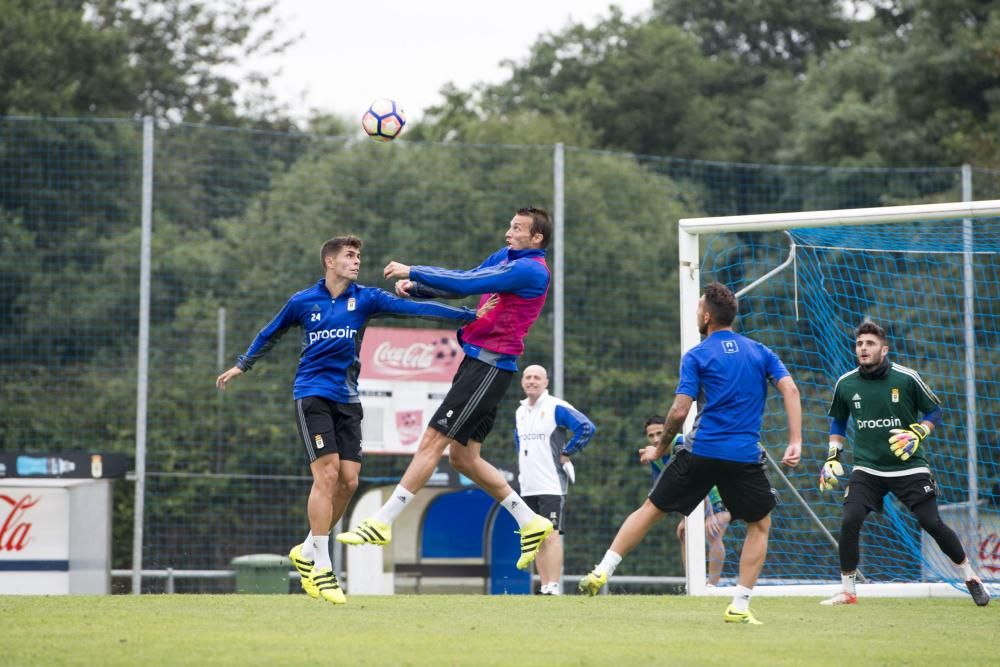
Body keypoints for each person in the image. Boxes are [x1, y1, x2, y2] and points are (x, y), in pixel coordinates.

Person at [216, 235, 494, 605]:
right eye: (349, 255)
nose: (357, 261)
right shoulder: (303, 301)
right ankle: (323, 568)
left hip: (348, 400)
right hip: (312, 395)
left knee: (349, 481)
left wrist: (467, 316)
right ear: (329, 262)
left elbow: (414, 310)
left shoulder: (366, 298)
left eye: (359, 255)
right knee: (327, 474)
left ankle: (307, 549)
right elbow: (270, 332)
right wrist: (241, 365)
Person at [337, 208, 557, 571]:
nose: (508, 232)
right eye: (510, 224)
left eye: (517, 228)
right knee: (463, 458)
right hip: (478, 364)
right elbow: (468, 278)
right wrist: (419, 289)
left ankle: (381, 522)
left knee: (432, 442)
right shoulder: (506, 258)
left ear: (537, 239)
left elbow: (465, 285)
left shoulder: (530, 269)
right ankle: (529, 521)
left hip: (489, 367)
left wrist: (413, 271)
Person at [579, 282, 802, 626]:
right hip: (742, 456)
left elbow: (680, 411)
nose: (698, 312)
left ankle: (602, 570)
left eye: (699, 307)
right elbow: (790, 388)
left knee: (651, 509)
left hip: (701, 451)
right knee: (759, 526)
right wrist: (795, 440)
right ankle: (740, 605)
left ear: (708, 315)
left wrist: (661, 447)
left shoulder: (697, 355)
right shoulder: (760, 351)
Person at [818, 320, 990, 607]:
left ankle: (970, 577)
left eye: (870, 344)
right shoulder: (846, 383)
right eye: (860, 343)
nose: (863, 348)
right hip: (868, 469)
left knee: (930, 522)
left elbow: (934, 411)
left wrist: (918, 432)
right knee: (849, 520)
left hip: (909, 467)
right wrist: (833, 455)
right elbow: (838, 420)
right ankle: (848, 590)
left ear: (884, 349)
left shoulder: (906, 378)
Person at [515, 364, 596, 595]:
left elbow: (586, 427)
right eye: (528, 377)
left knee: (551, 535)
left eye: (537, 377)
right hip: (527, 485)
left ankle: (553, 586)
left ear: (546, 382)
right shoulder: (520, 411)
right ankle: (544, 586)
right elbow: (519, 443)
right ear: (522, 381)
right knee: (535, 536)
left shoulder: (555, 407)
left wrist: (568, 451)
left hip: (551, 483)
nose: (531, 381)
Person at [642, 416, 731, 587]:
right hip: (695, 498)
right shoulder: (655, 456)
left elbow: (700, 480)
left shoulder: (682, 444)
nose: (656, 439)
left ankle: (712, 586)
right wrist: (685, 518)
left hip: (718, 494)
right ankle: (692, 584)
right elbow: (671, 491)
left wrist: (710, 515)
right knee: (683, 533)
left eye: (660, 433)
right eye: (651, 435)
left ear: (670, 430)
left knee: (714, 531)